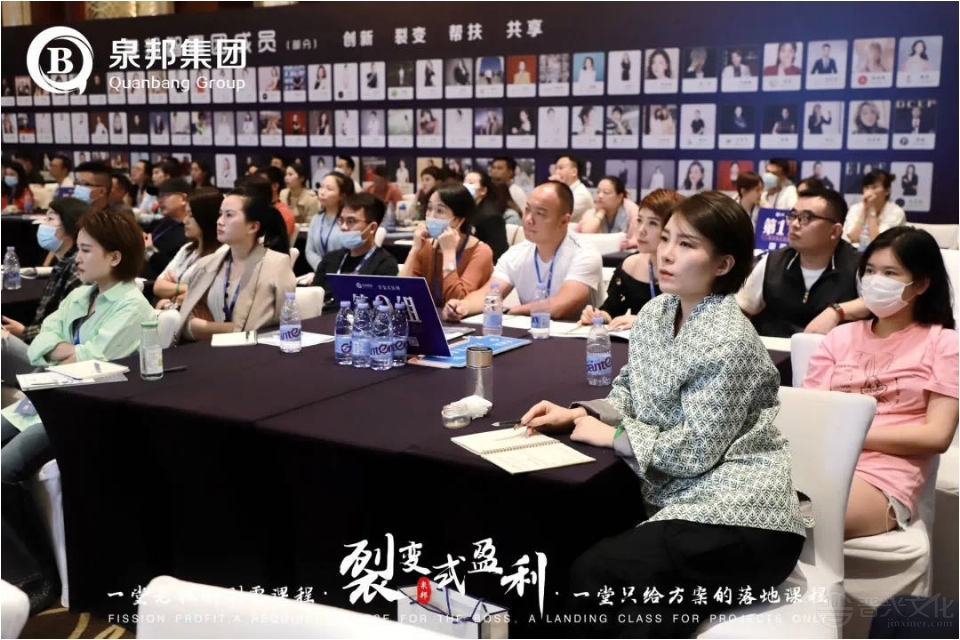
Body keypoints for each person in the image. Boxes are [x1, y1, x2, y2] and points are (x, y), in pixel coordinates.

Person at [521, 191, 805, 639]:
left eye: (687, 244)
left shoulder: (729, 339)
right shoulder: (657, 312)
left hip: (744, 517)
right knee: (593, 571)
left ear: (724, 264)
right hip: (685, 503)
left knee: (597, 573)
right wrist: (577, 414)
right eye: (666, 237)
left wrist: (612, 435)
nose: (666, 253)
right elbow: (630, 390)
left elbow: (695, 451)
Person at [1, 207, 154, 612]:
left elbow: (93, 361)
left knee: (3, 470)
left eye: (86, 250)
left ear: (115, 257)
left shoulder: (133, 307)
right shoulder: (80, 294)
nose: (77, 259)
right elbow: (39, 343)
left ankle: (34, 575)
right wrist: (65, 351)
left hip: (82, 413)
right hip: (43, 397)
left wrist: (63, 352)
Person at [803, 227, 958, 539]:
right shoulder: (839, 338)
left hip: (882, 478)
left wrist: (850, 436)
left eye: (890, 273)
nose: (875, 280)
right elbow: (810, 415)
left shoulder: (944, 344)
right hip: (818, 461)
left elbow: (937, 436)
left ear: (921, 284)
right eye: (870, 270)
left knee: (789, 521)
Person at [443, 181, 603, 322]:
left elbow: (560, 306)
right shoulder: (516, 253)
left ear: (564, 220)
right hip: (531, 333)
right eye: (527, 210)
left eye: (540, 213)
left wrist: (512, 311)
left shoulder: (585, 254)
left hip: (577, 338)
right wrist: (463, 306)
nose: (528, 219)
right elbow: (489, 294)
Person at [738, 186, 860, 337]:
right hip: (774, 350)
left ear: (834, 231)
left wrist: (837, 311)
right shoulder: (773, 262)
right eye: (793, 215)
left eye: (806, 218)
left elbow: (875, 303)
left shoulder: (858, 266)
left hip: (833, 350)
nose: (794, 224)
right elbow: (741, 309)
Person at [176, 188, 296, 341]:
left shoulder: (275, 265)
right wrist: (229, 328)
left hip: (254, 352)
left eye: (229, 215)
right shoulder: (206, 265)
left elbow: (255, 331)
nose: (219, 221)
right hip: (206, 351)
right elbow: (184, 324)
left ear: (253, 227)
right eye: (220, 214)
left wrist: (204, 327)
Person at [1, 197, 87, 374]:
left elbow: (67, 329)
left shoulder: (77, 268)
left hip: (52, 359)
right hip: (41, 346)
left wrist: (25, 332)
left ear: (70, 227)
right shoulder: (62, 265)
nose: (43, 224)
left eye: (50, 219)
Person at [581, 189, 684, 331]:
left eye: (653, 223)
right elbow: (611, 311)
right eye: (639, 220)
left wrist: (645, 320)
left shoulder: (689, 269)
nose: (641, 230)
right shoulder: (630, 265)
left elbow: (693, 320)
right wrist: (597, 316)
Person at [400, 184, 494, 306]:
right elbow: (400, 292)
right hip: (432, 316)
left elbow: (458, 302)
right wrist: (414, 250)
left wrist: (449, 253)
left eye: (440, 211)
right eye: (429, 208)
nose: (431, 216)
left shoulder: (480, 251)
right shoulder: (426, 246)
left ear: (458, 220)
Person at [313, 193, 399, 312]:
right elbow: (313, 297)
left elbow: (381, 310)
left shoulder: (384, 264)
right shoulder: (330, 259)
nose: (343, 227)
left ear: (372, 228)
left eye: (351, 221)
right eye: (341, 220)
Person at [153, 188, 223, 309]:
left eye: (191, 215)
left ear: (207, 217)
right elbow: (158, 286)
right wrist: (184, 288)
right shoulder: (186, 249)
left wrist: (172, 289)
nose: (185, 221)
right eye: (186, 214)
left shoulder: (220, 253)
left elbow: (202, 294)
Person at [141, 177, 191, 280]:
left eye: (165, 195)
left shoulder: (191, 231)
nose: (159, 200)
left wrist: (150, 252)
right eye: (158, 196)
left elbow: (176, 271)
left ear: (183, 199)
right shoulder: (163, 222)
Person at [305, 172, 355, 271]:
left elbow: (352, 252)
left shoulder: (349, 222)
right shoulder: (316, 219)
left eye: (329, 189)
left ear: (342, 195)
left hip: (343, 272)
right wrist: (322, 268)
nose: (322, 192)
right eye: (321, 187)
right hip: (320, 272)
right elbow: (309, 251)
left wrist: (331, 270)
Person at [844, 170, 907, 243]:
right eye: (866, 187)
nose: (869, 192)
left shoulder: (896, 212)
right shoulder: (855, 208)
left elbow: (878, 242)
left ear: (887, 191)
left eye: (874, 187)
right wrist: (864, 211)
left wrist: (871, 211)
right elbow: (853, 238)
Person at [463, 171, 510, 263]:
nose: (465, 186)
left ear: (483, 190)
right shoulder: (466, 209)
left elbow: (497, 252)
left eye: (471, 183)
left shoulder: (491, 216)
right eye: (464, 182)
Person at [256, 167, 297, 244]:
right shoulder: (255, 209)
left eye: (261, 183)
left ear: (275, 186)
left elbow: (275, 245)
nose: (255, 188)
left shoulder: (283, 214)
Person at [551, 155, 593, 223]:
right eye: (556, 169)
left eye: (561, 168)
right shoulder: (564, 190)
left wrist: (553, 186)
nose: (556, 172)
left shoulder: (581, 194)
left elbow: (557, 214)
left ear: (574, 172)